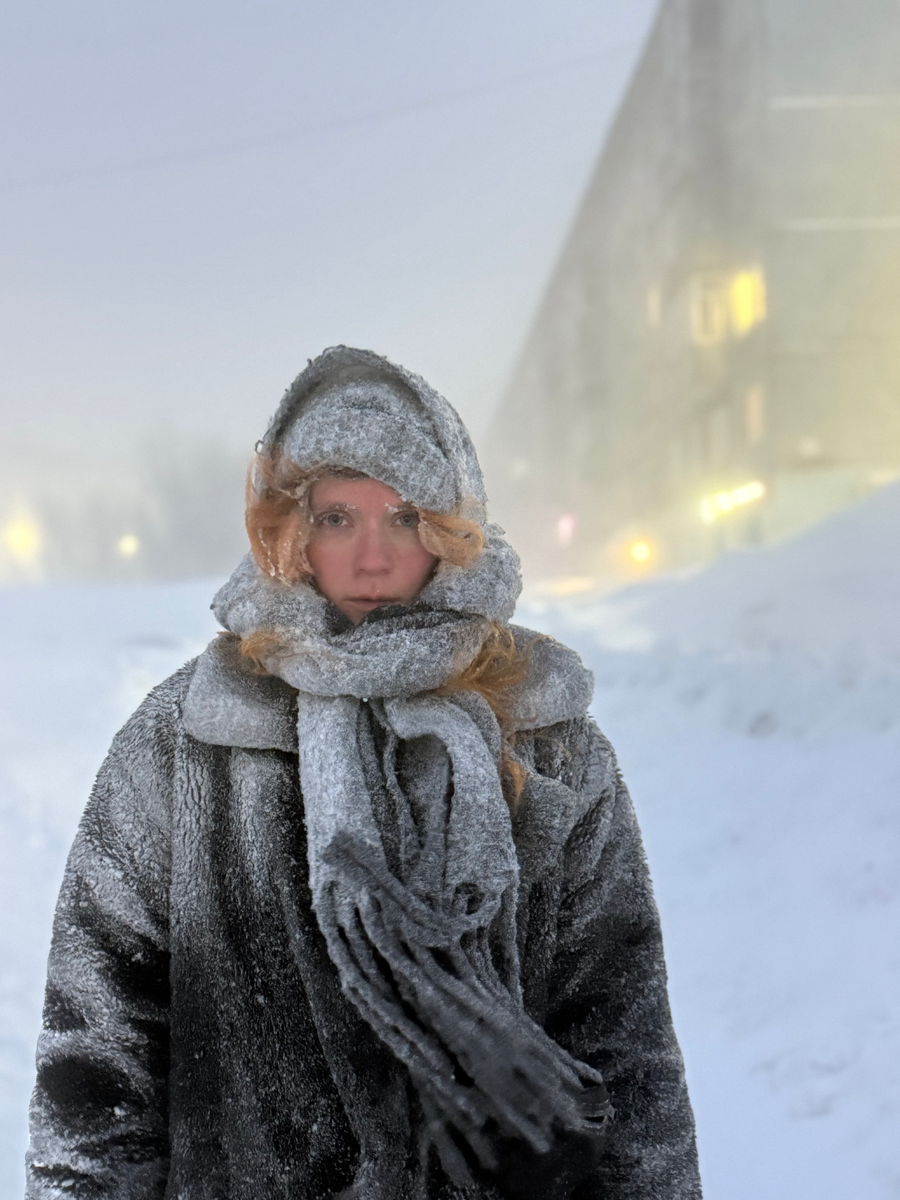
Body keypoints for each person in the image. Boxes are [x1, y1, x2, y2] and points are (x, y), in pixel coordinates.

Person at [26, 347, 701, 1199]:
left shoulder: (548, 743)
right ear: (289, 530)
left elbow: (626, 1046)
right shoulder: (184, 739)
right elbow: (99, 1061)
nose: (373, 558)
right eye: (338, 517)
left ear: (454, 528)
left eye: (407, 517)